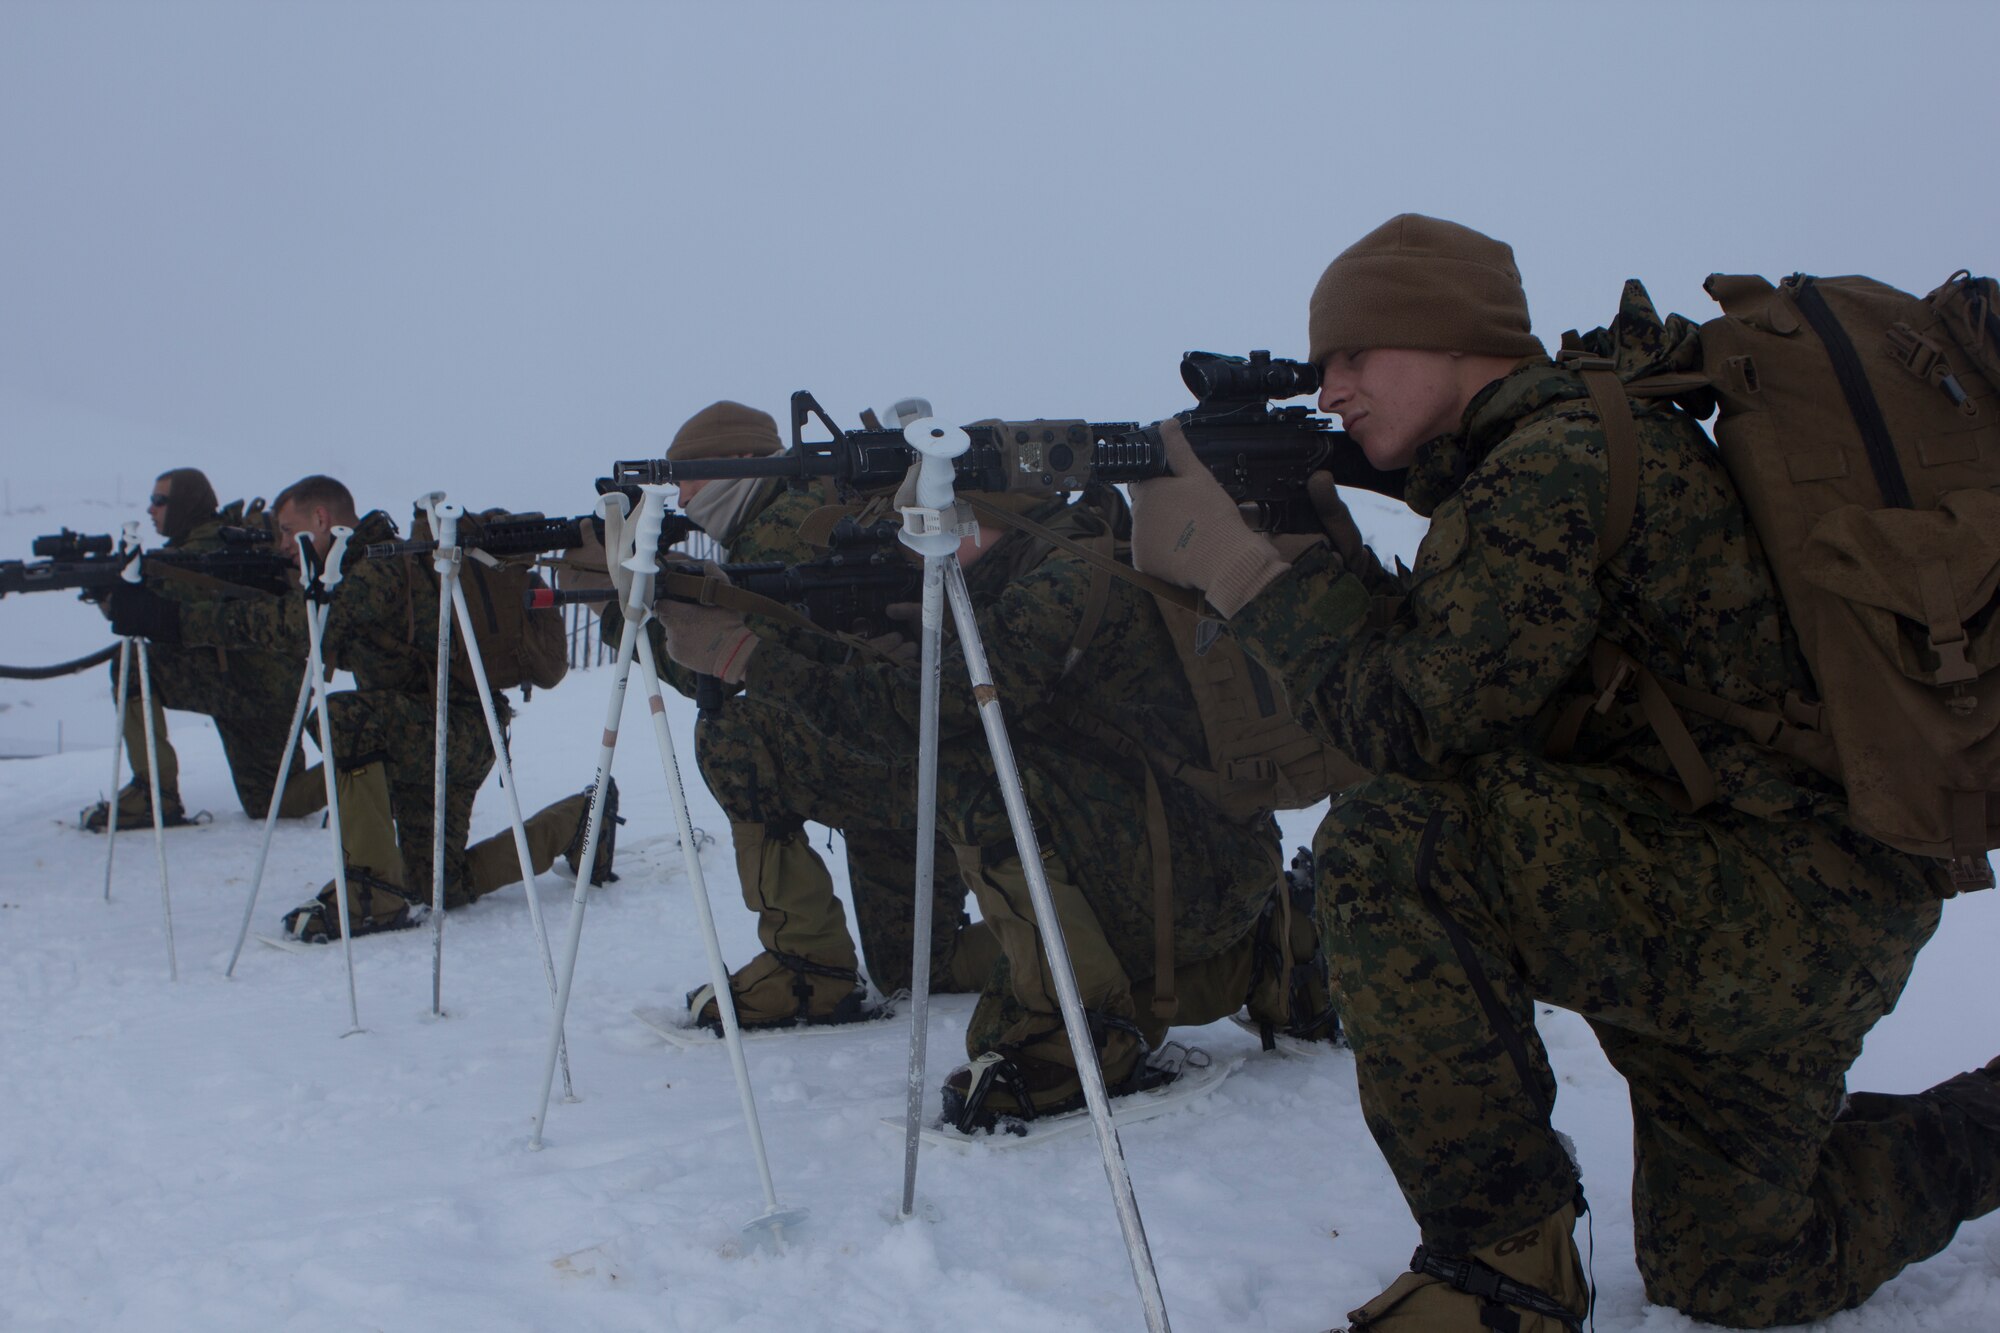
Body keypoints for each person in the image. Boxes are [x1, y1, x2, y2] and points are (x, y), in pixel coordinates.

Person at [1125, 213, 2000, 1330]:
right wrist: (1315, 539)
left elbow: (1410, 721)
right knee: (1736, 1268)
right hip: (1777, 890)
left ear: (1452, 334)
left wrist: (1237, 569)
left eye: (1354, 354)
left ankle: (1504, 1272)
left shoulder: (1553, 464)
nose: (1330, 389)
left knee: (1396, 842)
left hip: (1769, 906)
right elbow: (1453, 669)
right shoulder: (1557, 448)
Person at [657, 470, 1337, 1125]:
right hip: (1186, 862)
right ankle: (1263, 953)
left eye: (924, 528)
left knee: (968, 768)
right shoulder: (1044, 561)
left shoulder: (1060, 583)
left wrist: (747, 656)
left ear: (983, 518)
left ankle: (1082, 1030)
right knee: (977, 1003)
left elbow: (924, 716)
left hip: (1183, 867)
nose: (911, 550)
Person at [577, 400, 997, 1027]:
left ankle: (809, 965)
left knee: (734, 735)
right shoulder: (805, 505)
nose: (681, 496)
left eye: (688, 475)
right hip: (916, 749)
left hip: (894, 750)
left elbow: (731, 671)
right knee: (918, 966)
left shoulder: (780, 527)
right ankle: (1085, 945)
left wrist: (620, 615)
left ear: (741, 459)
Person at [109, 474, 611, 939]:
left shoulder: (377, 569)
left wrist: (171, 620)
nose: (281, 544)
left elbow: (300, 627)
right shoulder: (363, 568)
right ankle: (581, 819)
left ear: (321, 519)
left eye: (288, 531)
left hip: (451, 731)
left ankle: (370, 890)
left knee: (343, 719)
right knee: (440, 884)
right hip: (442, 731)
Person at [83, 467, 325, 831]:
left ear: (184, 503)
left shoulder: (206, 547)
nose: (151, 509)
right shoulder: (211, 541)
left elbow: (164, 607)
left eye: (159, 501)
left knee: (132, 665)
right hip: (267, 686)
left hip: (244, 686)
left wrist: (118, 594)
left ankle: (154, 796)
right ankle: (366, 769)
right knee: (273, 802)